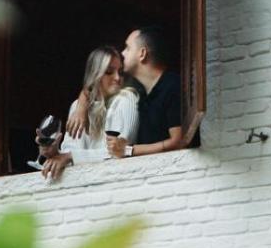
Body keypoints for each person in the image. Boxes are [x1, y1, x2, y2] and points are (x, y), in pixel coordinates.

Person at [68, 26, 184, 158]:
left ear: (142, 54)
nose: (122, 53)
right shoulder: (143, 93)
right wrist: (81, 105)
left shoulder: (172, 85)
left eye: (128, 48)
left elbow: (179, 141)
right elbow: (92, 88)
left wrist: (130, 150)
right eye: (109, 72)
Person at [41, 46, 139, 181]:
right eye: (109, 72)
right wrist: (54, 153)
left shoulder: (127, 99)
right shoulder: (78, 107)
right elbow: (69, 152)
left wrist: (70, 157)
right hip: (84, 184)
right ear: (95, 75)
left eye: (120, 72)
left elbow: (119, 152)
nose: (117, 78)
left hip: (117, 181)